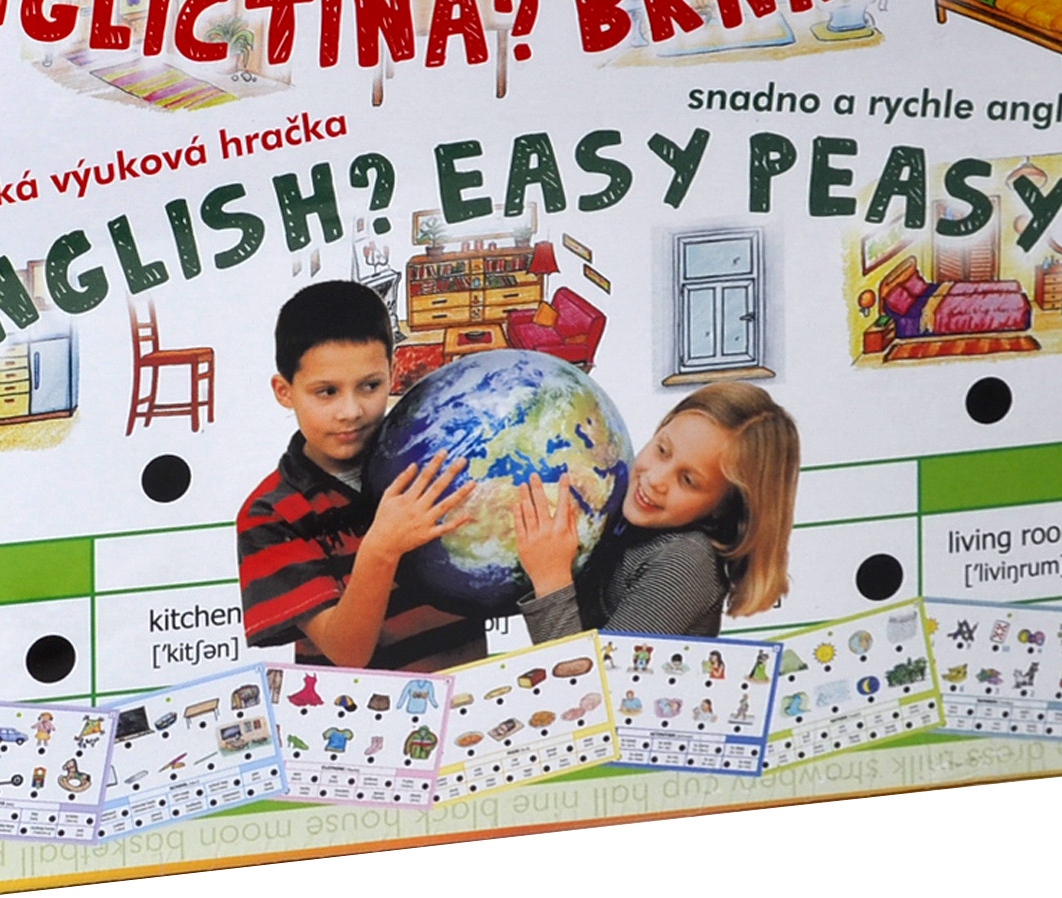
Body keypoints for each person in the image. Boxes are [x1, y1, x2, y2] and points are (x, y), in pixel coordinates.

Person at [237, 280, 478, 670]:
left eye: (369, 386)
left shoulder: (437, 458)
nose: (351, 411)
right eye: (326, 392)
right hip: (358, 708)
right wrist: (382, 548)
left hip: (474, 699)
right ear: (284, 391)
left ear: (393, 373)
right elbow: (347, 653)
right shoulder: (271, 514)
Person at [513, 381, 800, 641]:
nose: (655, 480)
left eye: (688, 480)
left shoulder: (685, 561)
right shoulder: (620, 506)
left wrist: (551, 579)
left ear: (724, 507)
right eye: (662, 450)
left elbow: (589, 681)